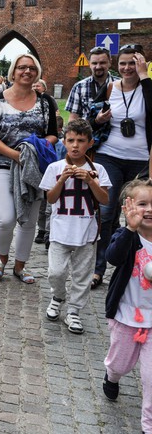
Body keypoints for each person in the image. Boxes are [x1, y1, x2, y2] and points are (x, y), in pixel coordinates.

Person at [0, 53, 58, 284]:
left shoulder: (45, 102)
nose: (26, 71)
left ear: (37, 72)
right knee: (6, 218)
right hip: (2, 164)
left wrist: (35, 149)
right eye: (21, 67)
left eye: (31, 68)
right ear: (13, 72)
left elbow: (54, 134)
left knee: (28, 220)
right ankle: (1, 259)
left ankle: (20, 265)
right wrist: (16, 155)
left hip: (34, 167)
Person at [39, 119, 110, 334]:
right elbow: (50, 199)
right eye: (71, 140)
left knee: (82, 276)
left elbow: (105, 200)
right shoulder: (55, 168)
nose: (75, 145)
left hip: (87, 233)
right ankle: (58, 295)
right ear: (64, 142)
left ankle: (74, 311)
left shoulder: (98, 169)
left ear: (90, 143)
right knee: (55, 272)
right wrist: (61, 181)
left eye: (81, 141)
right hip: (60, 231)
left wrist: (90, 181)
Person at [90, 45, 151, 290]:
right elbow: (91, 117)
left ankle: (134, 265)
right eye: (123, 63)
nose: (127, 68)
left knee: (137, 214)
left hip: (140, 159)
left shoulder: (147, 88)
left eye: (132, 63)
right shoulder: (110, 88)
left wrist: (145, 76)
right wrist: (98, 119)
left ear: (141, 63)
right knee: (106, 213)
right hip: (110, 156)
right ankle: (98, 268)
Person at [102, 179, 152, 432]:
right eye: (142, 204)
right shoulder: (126, 236)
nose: (149, 209)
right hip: (126, 316)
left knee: (151, 378)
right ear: (128, 208)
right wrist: (130, 230)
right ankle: (112, 376)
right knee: (120, 364)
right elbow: (113, 257)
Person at [65, 46, 117, 121]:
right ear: (89, 64)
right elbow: (73, 119)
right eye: (94, 63)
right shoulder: (79, 87)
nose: (98, 66)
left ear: (110, 62)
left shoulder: (120, 85)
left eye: (102, 63)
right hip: (87, 131)